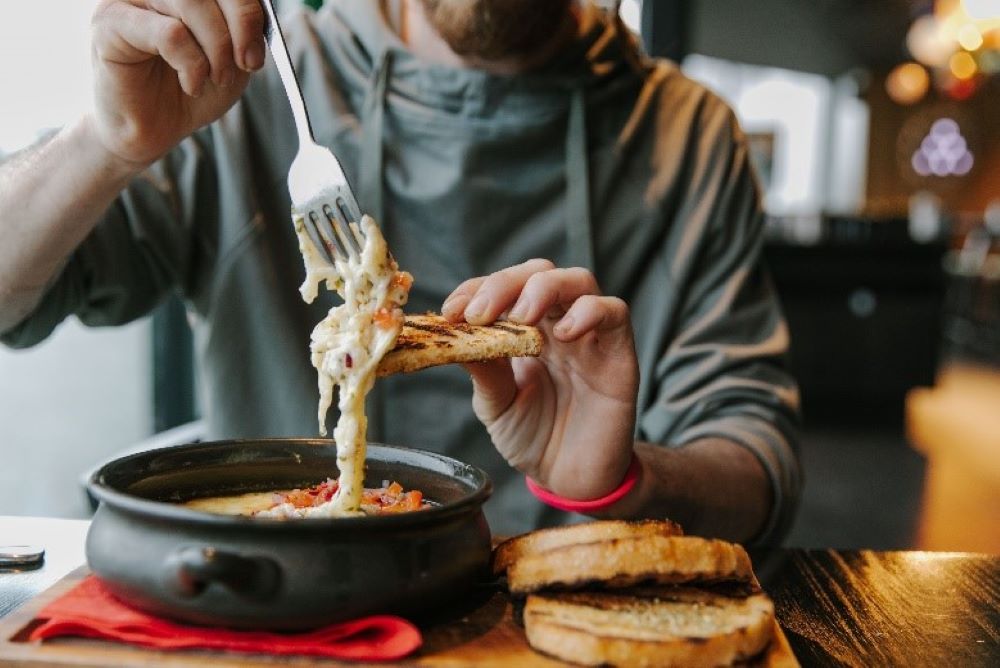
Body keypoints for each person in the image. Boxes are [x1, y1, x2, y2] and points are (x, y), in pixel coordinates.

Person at [0, 0, 800, 542]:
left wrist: (616, 482)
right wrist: (103, 144)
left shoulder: (688, 135)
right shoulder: (242, 85)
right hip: (281, 613)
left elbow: (759, 470)